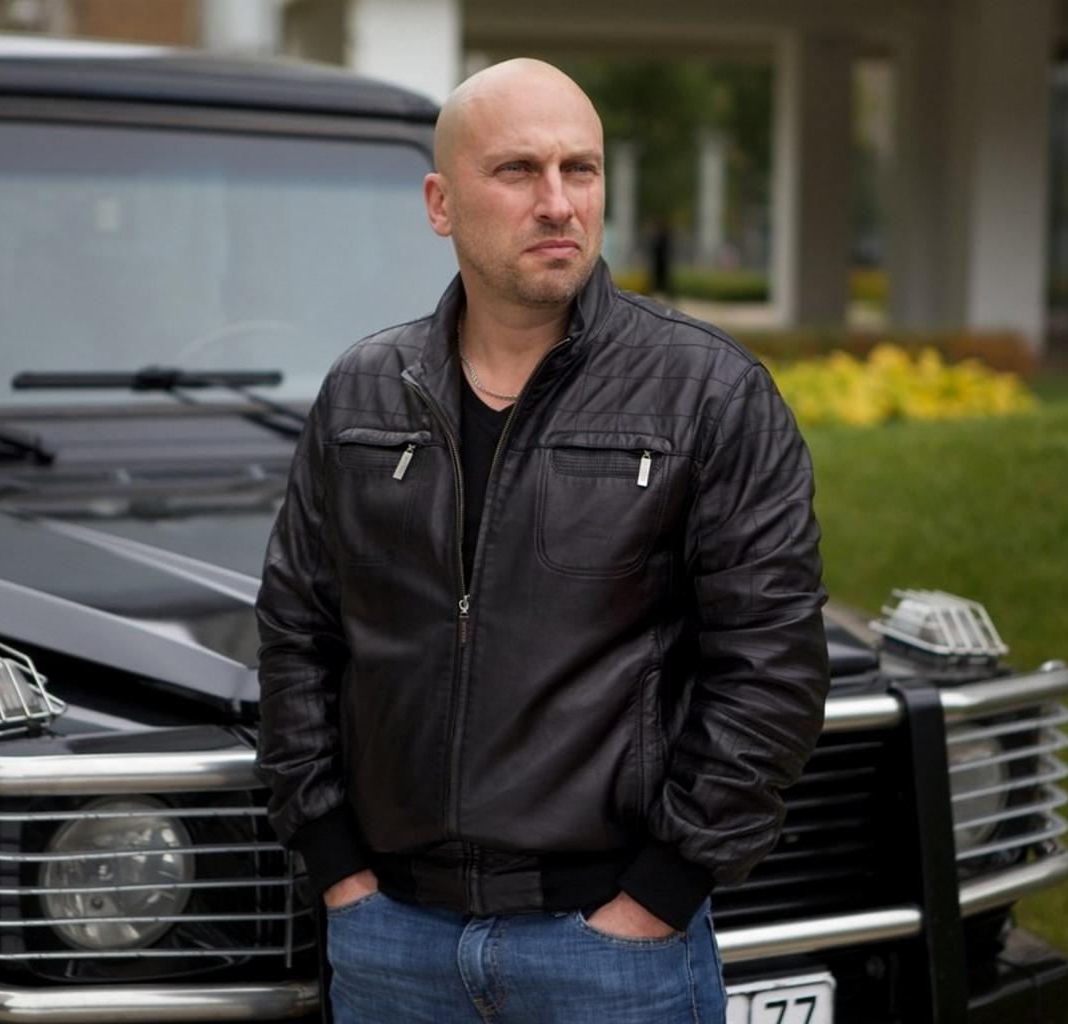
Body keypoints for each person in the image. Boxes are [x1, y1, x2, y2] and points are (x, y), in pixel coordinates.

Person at [255, 58, 829, 1023]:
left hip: (611, 954)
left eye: (581, 169)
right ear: (441, 203)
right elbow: (296, 635)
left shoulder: (710, 393)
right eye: (518, 170)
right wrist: (336, 868)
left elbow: (771, 665)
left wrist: (661, 893)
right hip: (392, 942)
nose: (559, 202)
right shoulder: (363, 394)